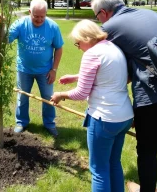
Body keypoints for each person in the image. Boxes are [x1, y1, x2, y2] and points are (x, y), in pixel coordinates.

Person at [92, 0, 157, 192]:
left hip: (153, 97)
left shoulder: (109, 27)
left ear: (103, 12)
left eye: (97, 16)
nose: (99, 21)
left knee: (147, 150)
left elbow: (111, 66)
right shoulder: (149, 13)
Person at [51, 20, 133, 191]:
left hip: (104, 119)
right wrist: (75, 77)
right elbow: (106, 75)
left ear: (86, 38)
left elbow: (81, 93)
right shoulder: (113, 48)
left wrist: (61, 95)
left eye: (78, 43)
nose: (79, 47)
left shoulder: (92, 54)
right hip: (124, 116)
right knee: (113, 163)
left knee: (98, 169)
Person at [0, 0, 64, 137]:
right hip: (24, 69)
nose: (39, 19)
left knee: (48, 97)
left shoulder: (52, 27)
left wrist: (54, 69)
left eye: (42, 16)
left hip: (45, 70)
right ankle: (21, 122)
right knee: (22, 97)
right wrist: (0, 27)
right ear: (30, 12)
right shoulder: (21, 24)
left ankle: (49, 124)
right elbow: (5, 40)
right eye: (36, 16)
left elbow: (58, 48)